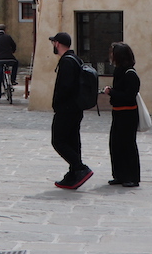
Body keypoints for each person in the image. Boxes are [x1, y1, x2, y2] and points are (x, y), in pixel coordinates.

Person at [49, 31, 92, 189]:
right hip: (76, 108)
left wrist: (57, 104)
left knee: (58, 140)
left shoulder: (67, 61)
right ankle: (73, 173)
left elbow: (65, 87)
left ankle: (80, 167)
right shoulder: (76, 59)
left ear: (58, 44)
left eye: (54, 43)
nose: (53, 45)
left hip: (66, 108)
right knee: (73, 141)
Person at [103, 41, 141, 187]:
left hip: (128, 114)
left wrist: (111, 92)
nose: (111, 56)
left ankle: (132, 177)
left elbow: (129, 95)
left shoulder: (130, 73)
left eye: (113, 53)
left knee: (128, 145)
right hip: (118, 113)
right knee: (115, 145)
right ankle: (119, 174)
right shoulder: (119, 71)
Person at [0, 24, 18, 103]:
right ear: (5, 30)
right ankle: (12, 79)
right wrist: (12, 51)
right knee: (16, 63)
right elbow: (14, 46)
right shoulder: (8, 37)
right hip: (9, 58)